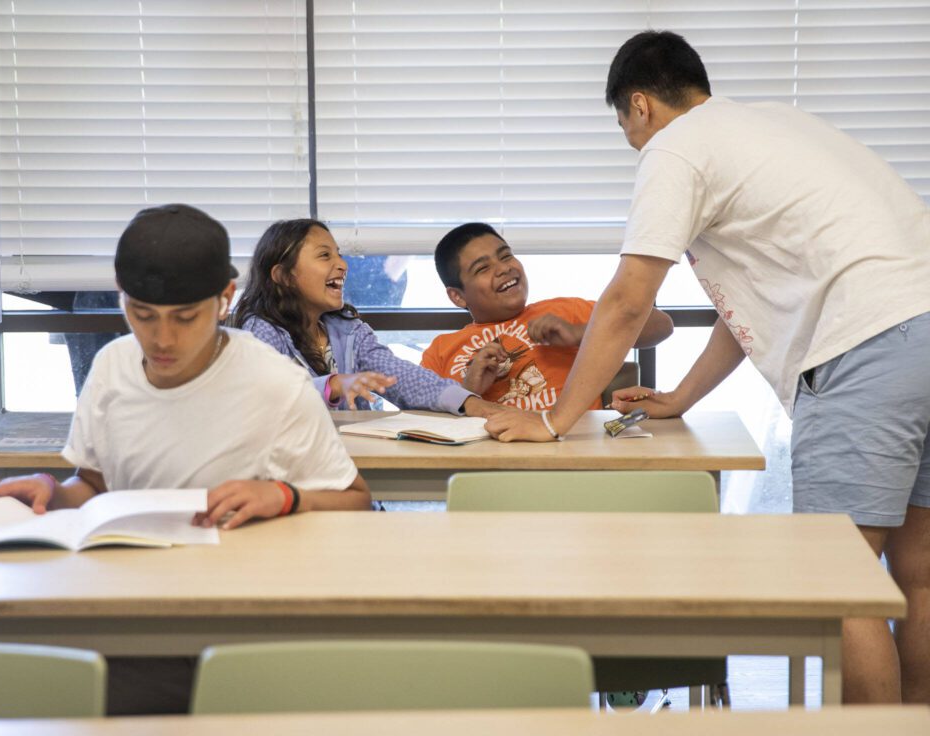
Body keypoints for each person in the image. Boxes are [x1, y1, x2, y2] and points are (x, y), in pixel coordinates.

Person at [487, 30, 930, 705]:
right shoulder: (772, 127)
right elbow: (748, 303)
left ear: (639, 105)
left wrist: (556, 419)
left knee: (846, 583)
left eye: (623, 127)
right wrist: (681, 397)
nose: (632, 143)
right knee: (918, 574)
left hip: (867, 345)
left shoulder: (676, 147)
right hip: (916, 325)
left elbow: (628, 301)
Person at [0, 203, 372, 713]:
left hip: (240, 624)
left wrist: (284, 495)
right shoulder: (113, 367)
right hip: (130, 611)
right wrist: (54, 493)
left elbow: (357, 501)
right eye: (142, 315)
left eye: (185, 318)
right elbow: (95, 486)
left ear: (226, 297)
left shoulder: (274, 383)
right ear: (122, 295)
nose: (162, 339)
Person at [231, 218, 499, 417]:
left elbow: (401, 377)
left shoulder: (350, 331)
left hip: (355, 463)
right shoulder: (260, 330)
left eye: (339, 253)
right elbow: (266, 396)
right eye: (325, 255)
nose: (343, 264)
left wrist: (469, 402)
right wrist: (331, 385)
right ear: (284, 276)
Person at [421, 222, 672, 411]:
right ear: (458, 297)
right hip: (486, 459)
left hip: (570, 450)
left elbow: (661, 326)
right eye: (483, 268)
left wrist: (579, 333)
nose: (504, 268)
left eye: (506, 255)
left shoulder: (563, 312)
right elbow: (419, 427)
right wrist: (467, 392)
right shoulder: (440, 351)